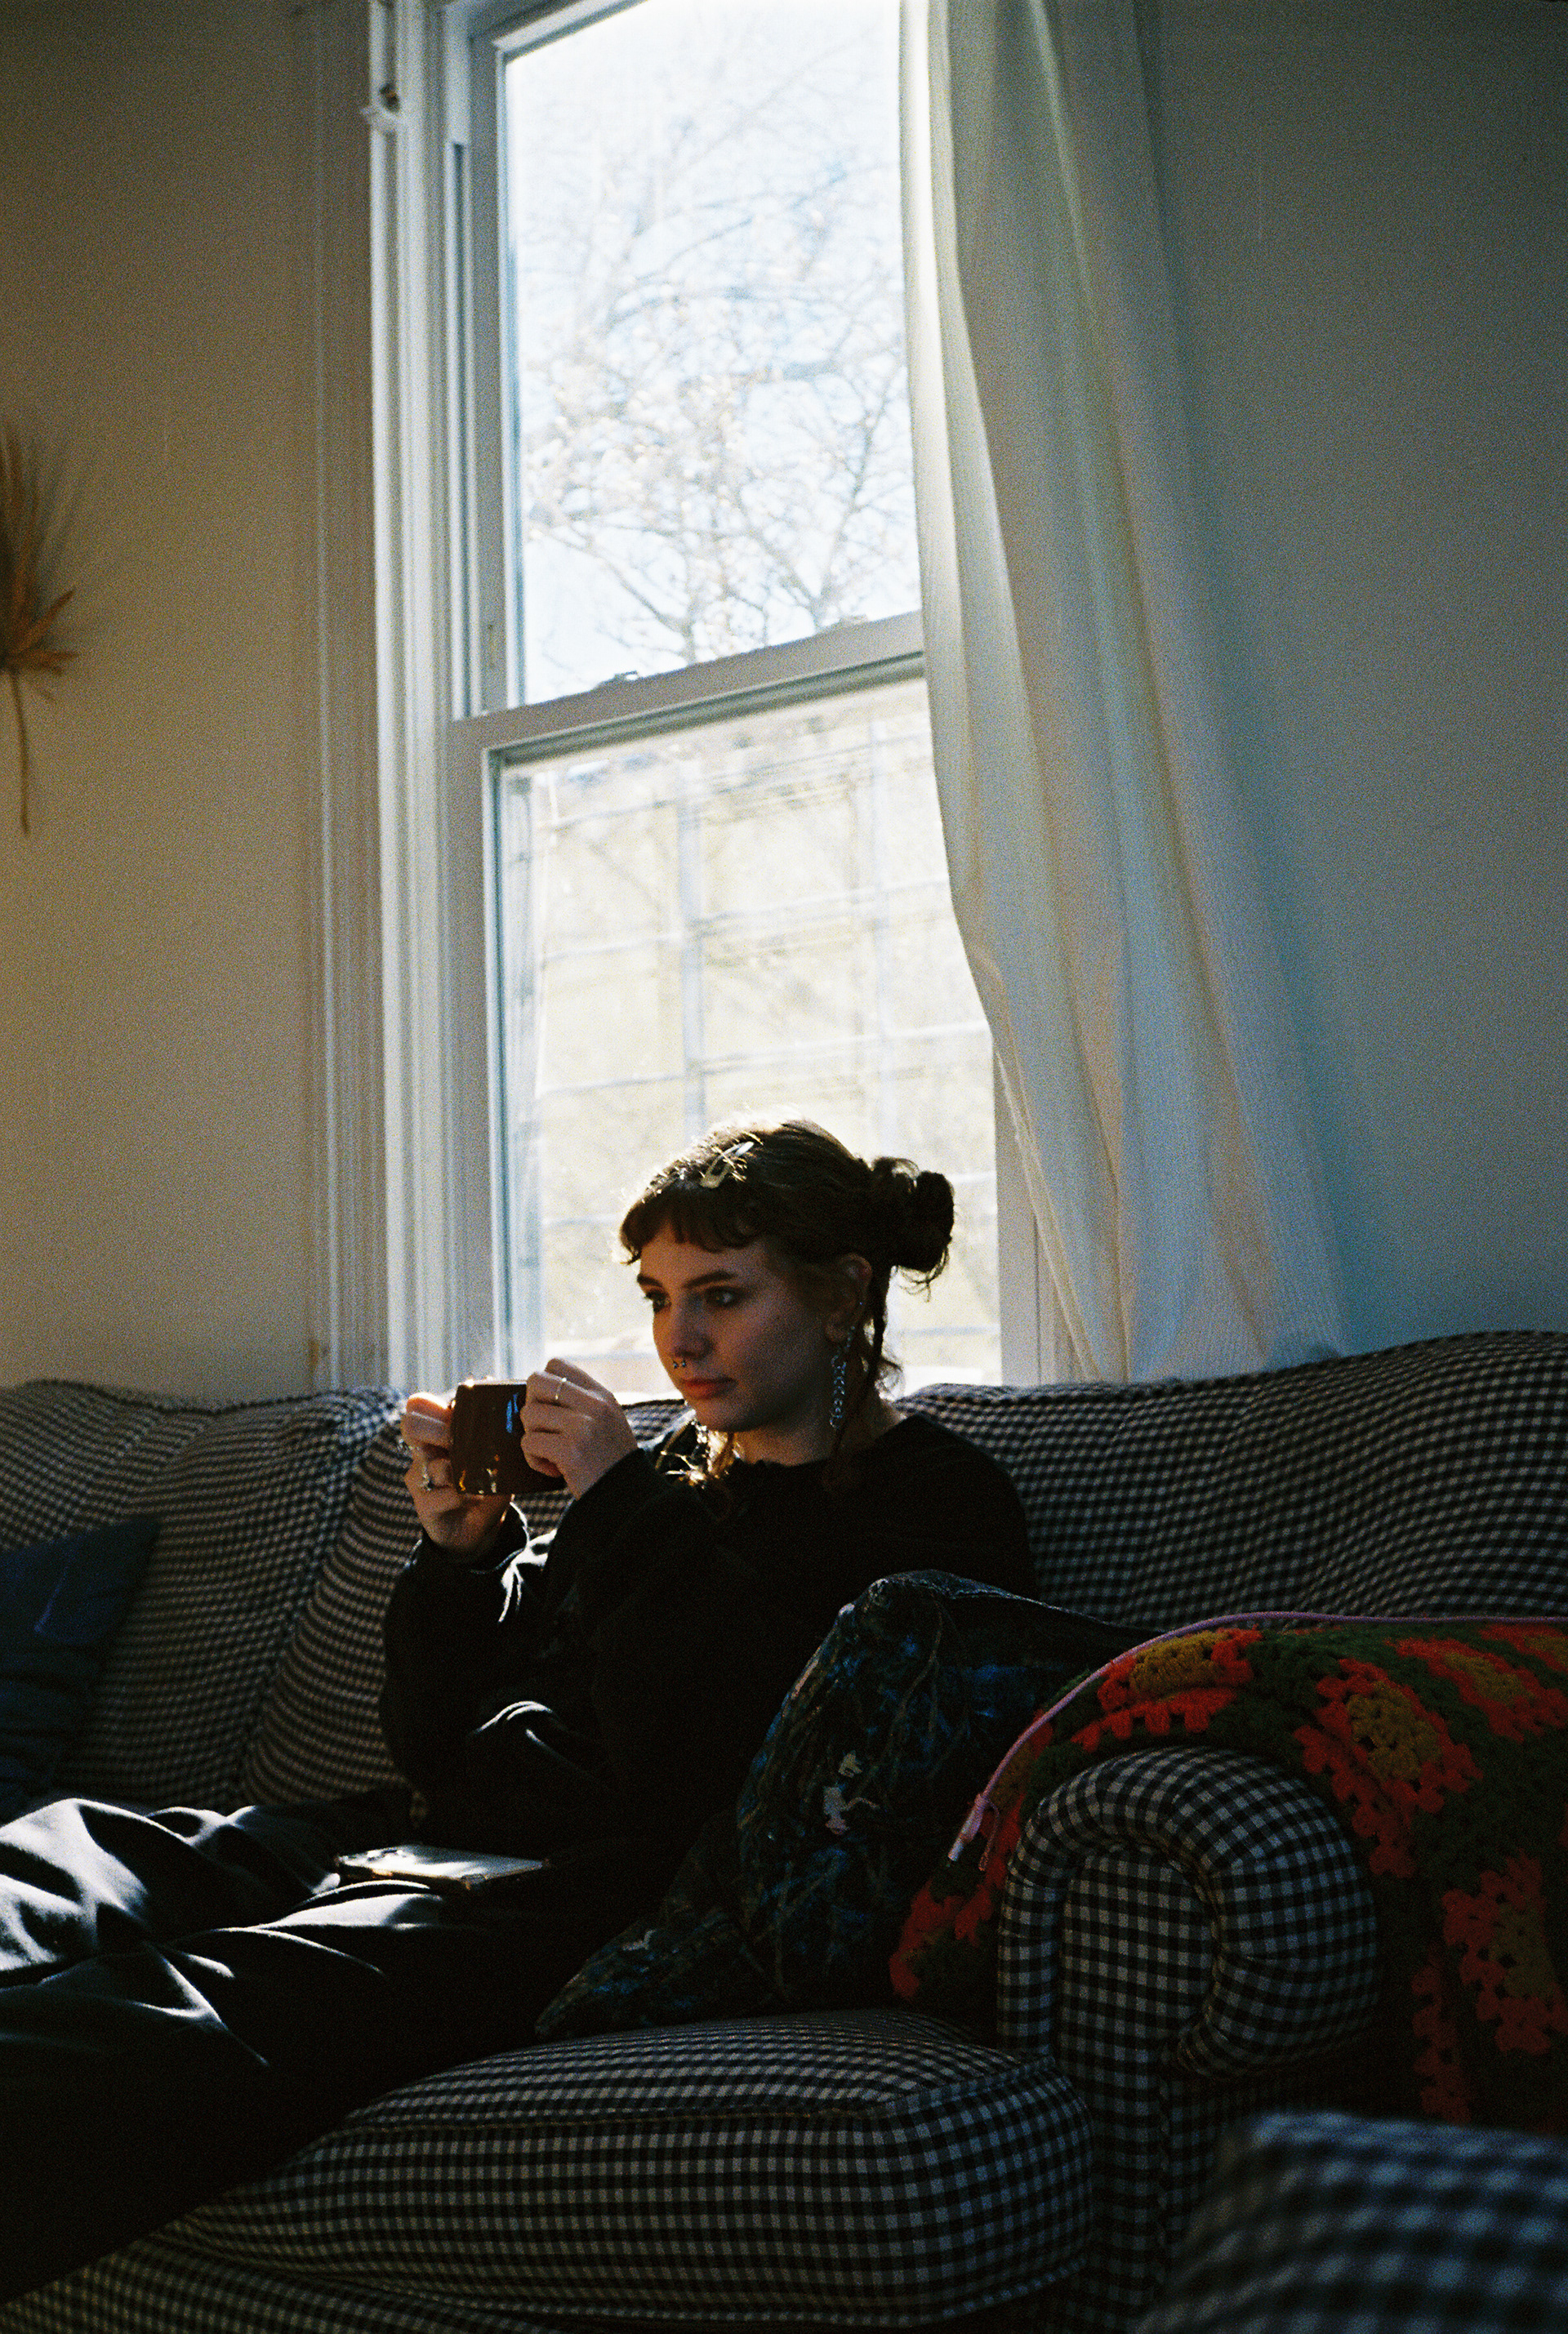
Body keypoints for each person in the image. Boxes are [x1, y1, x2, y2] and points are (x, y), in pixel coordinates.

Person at [0, 1120, 1054, 2298]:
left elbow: (712, 1767)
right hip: (423, 1834)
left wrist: (618, 1504)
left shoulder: (936, 1504)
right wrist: (462, 1557)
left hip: (587, 1894)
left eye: (721, 1294)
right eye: (659, 1298)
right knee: (69, 1853)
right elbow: (433, 1746)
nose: (680, 1339)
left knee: (172, 2017)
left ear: (842, 1294)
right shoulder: (672, 1484)